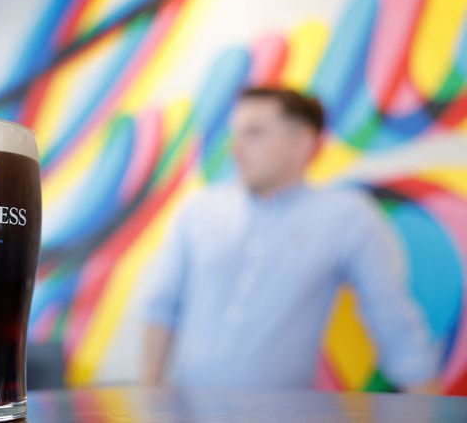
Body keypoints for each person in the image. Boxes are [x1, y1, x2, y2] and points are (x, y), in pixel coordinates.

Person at [142, 87, 439, 392]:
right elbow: (162, 306)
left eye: (254, 133)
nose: (236, 147)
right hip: (189, 411)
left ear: (301, 143)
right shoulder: (199, 210)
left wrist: (430, 408)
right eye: (236, 134)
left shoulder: (347, 217)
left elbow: (394, 323)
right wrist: (150, 392)